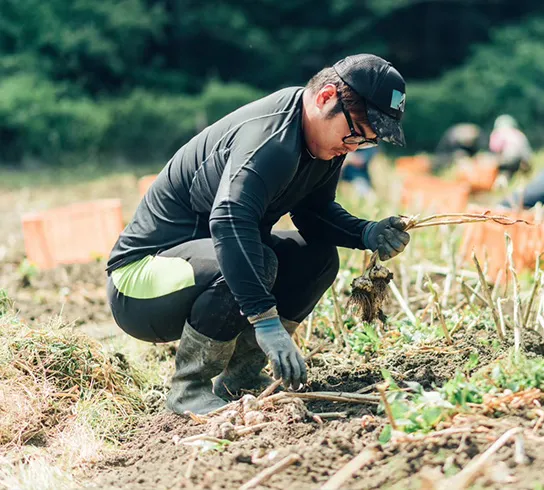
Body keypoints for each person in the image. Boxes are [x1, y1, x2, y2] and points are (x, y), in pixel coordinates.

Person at [105, 54, 412, 416]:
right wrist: (265, 321)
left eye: (366, 142)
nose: (353, 146)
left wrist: (366, 231)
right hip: (140, 284)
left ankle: (242, 377)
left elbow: (313, 214)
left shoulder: (324, 143)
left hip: (205, 266)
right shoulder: (271, 139)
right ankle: (189, 389)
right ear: (326, 97)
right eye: (355, 133)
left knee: (317, 258)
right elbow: (230, 222)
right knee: (256, 257)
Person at [489, 114, 532, 181]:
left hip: (506, 158)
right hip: (520, 159)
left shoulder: (497, 133)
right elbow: (527, 151)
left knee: (504, 168)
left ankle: (501, 179)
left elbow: (495, 149)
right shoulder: (519, 134)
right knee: (513, 168)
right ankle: (524, 181)